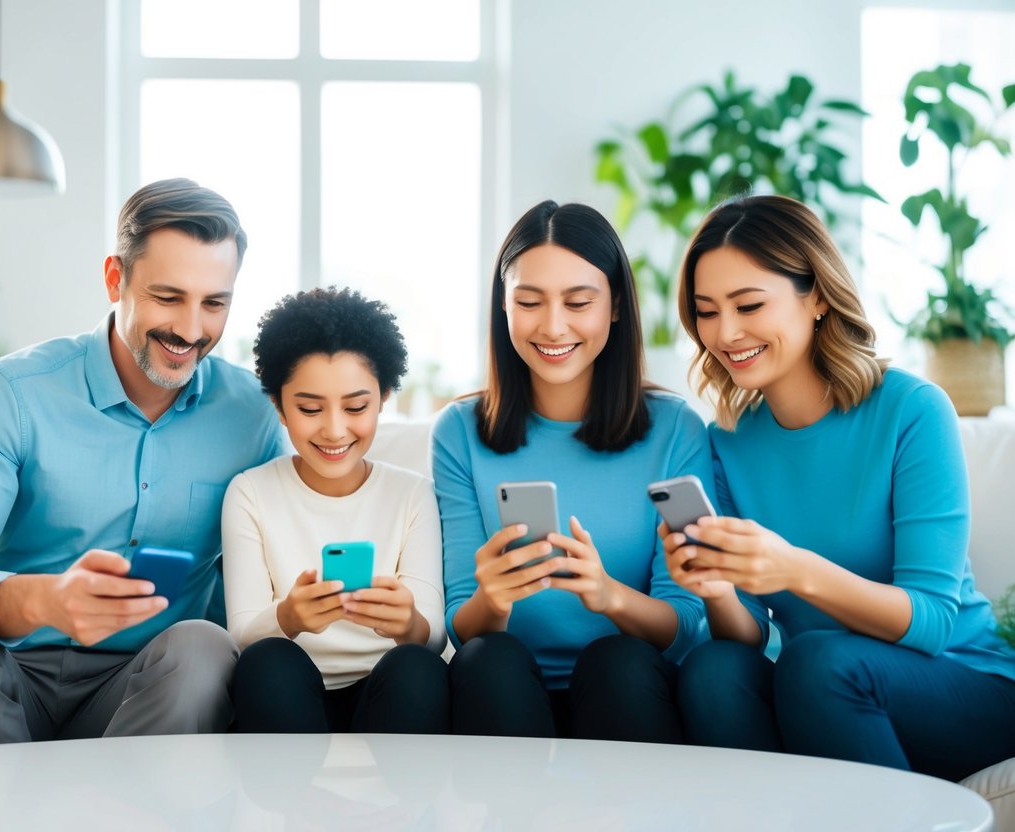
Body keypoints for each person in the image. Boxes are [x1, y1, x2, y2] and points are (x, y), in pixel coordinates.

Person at [0, 178, 286, 745]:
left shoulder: (253, 413)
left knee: (203, 647)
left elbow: (280, 561)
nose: (191, 330)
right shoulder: (11, 394)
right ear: (114, 279)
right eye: (168, 297)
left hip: (148, 684)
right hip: (8, 667)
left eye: (214, 303)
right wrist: (41, 599)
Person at [664, 194, 1015, 780]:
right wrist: (719, 588)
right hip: (824, 689)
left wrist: (793, 568)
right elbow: (747, 633)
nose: (725, 333)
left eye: (749, 304)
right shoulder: (725, 444)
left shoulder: (912, 409)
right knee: (713, 669)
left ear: (818, 296)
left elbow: (929, 620)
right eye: (706, 311)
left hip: (963, 683)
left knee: (818, 661)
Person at [432, 199, 711, 740]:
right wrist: (493, 597)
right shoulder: (459, 432)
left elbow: (683, 625)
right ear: (504, 308)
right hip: (506, 692)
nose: (553, 326)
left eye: (578, 301)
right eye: (529, 302)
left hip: (631, 688)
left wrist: (608, 595)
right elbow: (463, 629)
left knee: (618, 662)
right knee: (489, 659)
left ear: (614, 307)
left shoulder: (675, 428)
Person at [222, 287, 449, 733]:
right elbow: (242, 637)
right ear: (279, 407)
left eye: (356, 406)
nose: (334, 430)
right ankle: (295, 802)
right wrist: (288, 617)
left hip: (387, 690)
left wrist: (408, 624)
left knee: (418, 668)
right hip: (289, 690)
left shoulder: (412, 493)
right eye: (309, 408)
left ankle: (394, 804)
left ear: (384, 398)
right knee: (268, 662)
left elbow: (435, 636)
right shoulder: (250, 492)